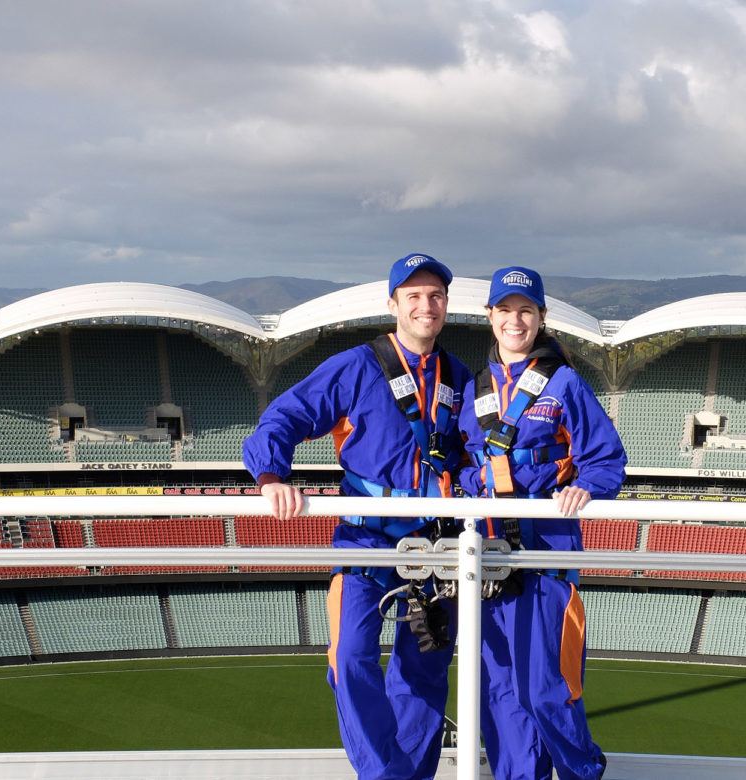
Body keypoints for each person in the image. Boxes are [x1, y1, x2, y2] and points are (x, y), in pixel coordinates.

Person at [242, 253, 472, 780]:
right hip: (365, 540)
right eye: (413, 296)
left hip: (436, 545)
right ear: (393, 304)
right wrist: (272, 476)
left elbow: (476, 453)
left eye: (435, 295)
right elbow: (286, 415)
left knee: (425, 669)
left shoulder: (458, 376)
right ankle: (382, 774)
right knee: (349, 661)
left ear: (446, 306)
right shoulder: (357, 366)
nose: (425, 305)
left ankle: (412, 775)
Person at [459, 266, 625, 780]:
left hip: (548, 556)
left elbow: (606, 458)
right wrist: (479, 480)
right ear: (490, 317)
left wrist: (586, 486)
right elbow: (463, 465)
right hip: (489, 562)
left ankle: (580, 773)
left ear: (541, 317)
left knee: (548, 688)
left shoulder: (564, 383)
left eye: (525, 311)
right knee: (502, 695)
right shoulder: (474, 390)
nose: (515, 320)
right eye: (505, 310)